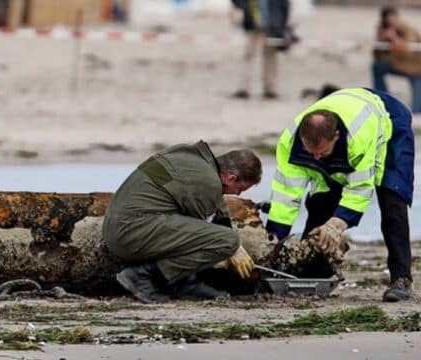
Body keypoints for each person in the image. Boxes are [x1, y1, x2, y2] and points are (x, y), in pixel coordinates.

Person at [266, 87, 414, 302]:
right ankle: (313, 272)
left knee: (393, 202)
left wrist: (336, 225)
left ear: (336, 137)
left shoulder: (358, 138)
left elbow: (360, 189)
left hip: (389, 123)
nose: (316, 158)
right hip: (346, 115)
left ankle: (401, 279)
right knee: (320, 203)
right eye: (310, 153)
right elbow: (285, 197)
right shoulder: (289, 142)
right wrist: (273, 243)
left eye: (323, 153)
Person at [103, 141, 261, 303]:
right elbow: (201, 236)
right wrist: (233, 248)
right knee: (227, 241)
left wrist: (235, 246)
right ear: (230, 178)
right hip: (130, 233)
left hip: (120, 226)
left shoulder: (191, 160)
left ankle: (184, 283)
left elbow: (216, 209)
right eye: (240, 190)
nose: (238, 195)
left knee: (225, 239)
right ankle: (142, 276)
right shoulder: (207, 181)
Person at [230, 0, 290, 100]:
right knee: (248, 55)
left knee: (271, 56)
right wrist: (245, 7)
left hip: (272, 26)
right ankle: (243, 88)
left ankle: (270, 89)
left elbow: (284, 4)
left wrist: (282, 23)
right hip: (252, 24)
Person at [371, 6, 421, 113]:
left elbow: (408, 50)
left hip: (416, 68)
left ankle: (416, 116)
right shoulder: (384, 29)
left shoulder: (407, 28)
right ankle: (382, 102)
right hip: (400, 64)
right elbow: (377, 55)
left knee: (417, 105)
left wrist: (394, 38)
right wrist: (381, 39)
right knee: (377, 66)